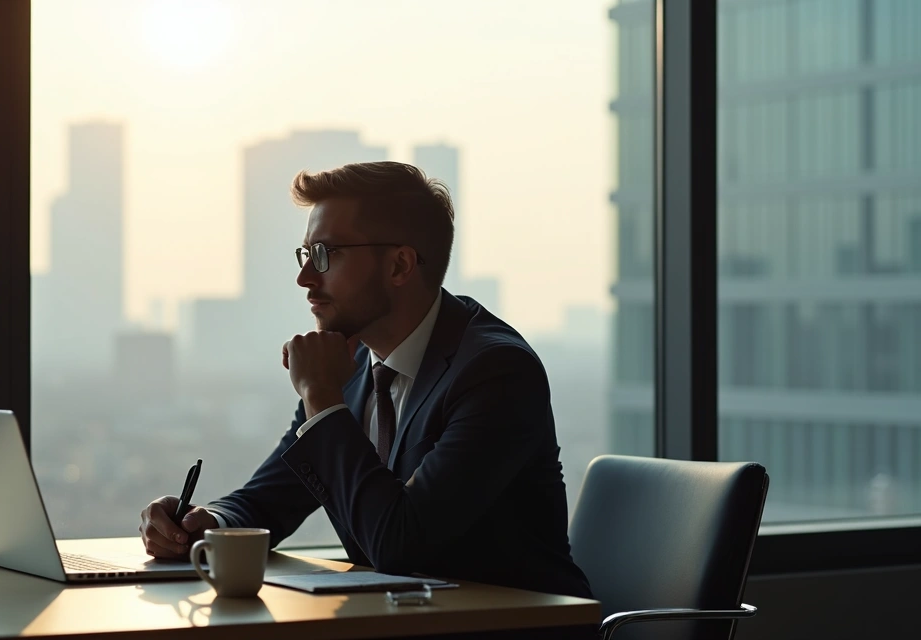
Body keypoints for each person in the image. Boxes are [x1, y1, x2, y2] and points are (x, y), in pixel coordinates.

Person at [139, 161, 592, 598]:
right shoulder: (351, 364)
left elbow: (401, 544)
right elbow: (269, 500)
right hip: (403, 623)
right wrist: (201, 525)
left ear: (399, 266)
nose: (304, 278)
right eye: (305, 254)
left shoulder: (496, 373)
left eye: (324, 255)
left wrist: (320, 395)